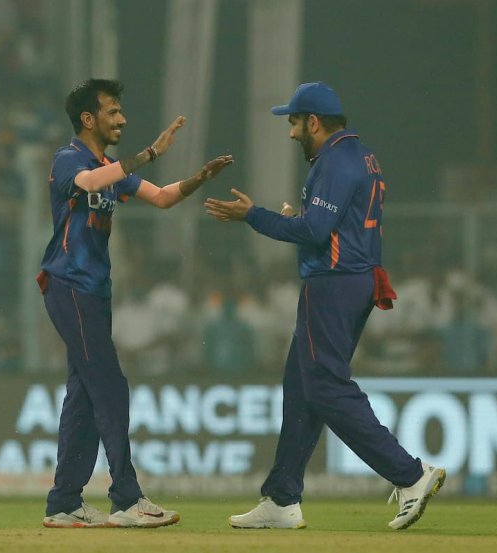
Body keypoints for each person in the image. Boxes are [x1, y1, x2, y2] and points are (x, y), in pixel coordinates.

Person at [204, 82, 445, 531]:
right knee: (300, 385)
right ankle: (281, 498)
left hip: (333, 285)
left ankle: (411, 475)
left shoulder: (333, 161)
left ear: (314, 122)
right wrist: (299, 218)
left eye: (294, 122)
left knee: (325, 388)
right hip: (353, 279)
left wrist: (253, 215)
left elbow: (315, 232)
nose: (292, 132)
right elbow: (334, 224)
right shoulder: (360, 155)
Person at [37, 78, 232, 528]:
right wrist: (150, 153)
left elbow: (162, 198)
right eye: (112, 111)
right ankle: (126, 499)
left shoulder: (108, 165)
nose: (121, 118)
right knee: (109, 387)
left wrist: (197, 180)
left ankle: (64, 502)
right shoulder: (70, 159)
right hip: (70, 285)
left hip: (93, 291)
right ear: (88, 119)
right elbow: (88, 181)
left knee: (84, 395)